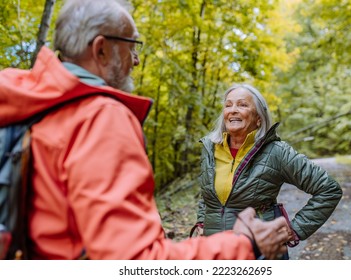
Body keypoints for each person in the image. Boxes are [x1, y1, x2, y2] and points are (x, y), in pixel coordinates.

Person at [0, 0, 290, 260]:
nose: (136, 60)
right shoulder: (99, 118)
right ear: (101, 49)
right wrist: (245, 244)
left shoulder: (21, 100)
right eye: (132, 45)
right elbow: (134, 261)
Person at [192, 83, 343, 257]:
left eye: (242, 104)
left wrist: (295, 229)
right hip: (214, 249)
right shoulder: (210, 148)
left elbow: (329, 190)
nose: (233, 110)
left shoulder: (277, 151)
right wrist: (202, 222)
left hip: (260, 251)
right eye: (228, 105)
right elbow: (207, 193)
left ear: (259, 118)